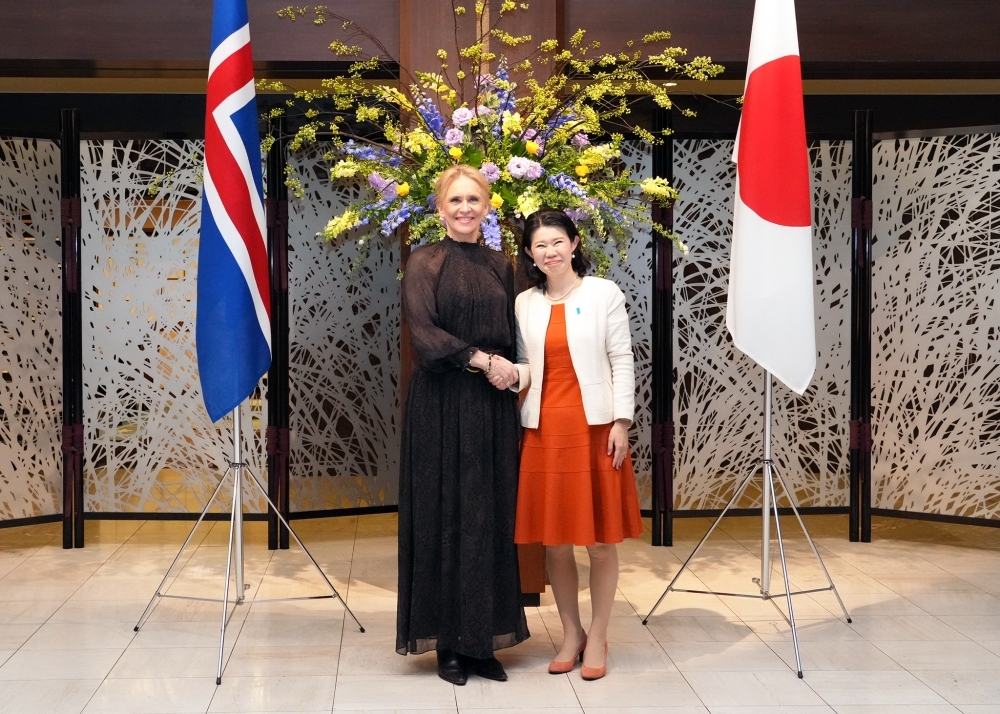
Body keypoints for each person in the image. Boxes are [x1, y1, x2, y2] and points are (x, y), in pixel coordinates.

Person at [396, 164, 529, 685]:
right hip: (442, 403)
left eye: (474, 199)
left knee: (487, 517)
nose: (465, 208)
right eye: (455, 200)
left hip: (493, 409)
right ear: (439, 207)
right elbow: (424, 334)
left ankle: (482, 641)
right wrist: (482, 361)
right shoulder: (424, 261)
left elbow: (520, 334)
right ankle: (447, 643)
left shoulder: (504, 265)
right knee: (443, 516)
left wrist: (515, 372)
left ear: (488, 205)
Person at [507, 208, 643, 681]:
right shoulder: (524, 302)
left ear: (575, 242)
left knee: (601, 543)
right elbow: (527, 367)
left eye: (557, 242)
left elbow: (621, 359)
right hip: (543, 429)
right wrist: (501, 371)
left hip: (595, 427)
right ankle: (571, 633)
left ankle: (600, 635)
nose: (550, 251)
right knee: (556, 542)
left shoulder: (603, 292)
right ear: (529, 253)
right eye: (540, 245)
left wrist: (621, 421)